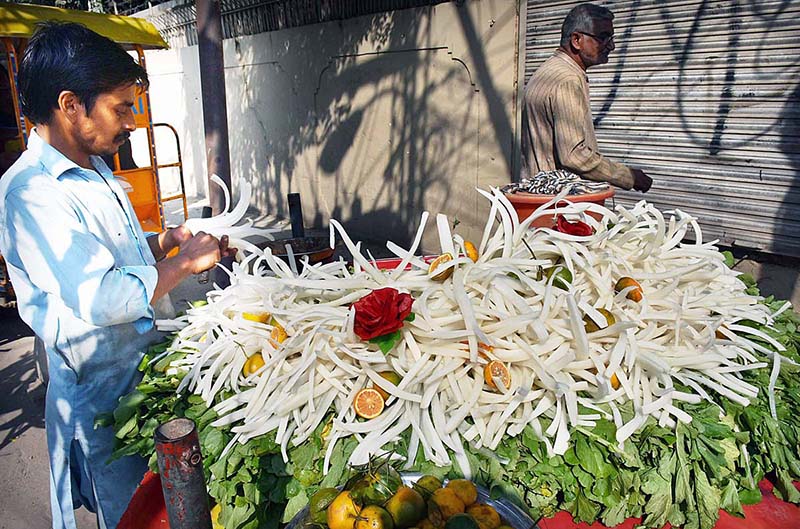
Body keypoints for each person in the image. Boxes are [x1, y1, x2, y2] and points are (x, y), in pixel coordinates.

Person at [0, 23, 234, 529]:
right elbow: (102, 296)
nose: (131, 122)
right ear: (70, 105)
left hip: (147, 373)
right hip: (103, 396)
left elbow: (114, 256)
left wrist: (161, 244)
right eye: (121, 107)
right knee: (131, 513)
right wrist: (186, 263)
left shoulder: (95, 168)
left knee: (177, 503)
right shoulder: (32, 194)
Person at [520, 2, 653, 192]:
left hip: (538, 197)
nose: (612, 46)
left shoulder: (547, 70)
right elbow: (574, 155)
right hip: (558, 204)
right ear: (576, 40)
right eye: (604, 37)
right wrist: (629, 177)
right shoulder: (567, 80)